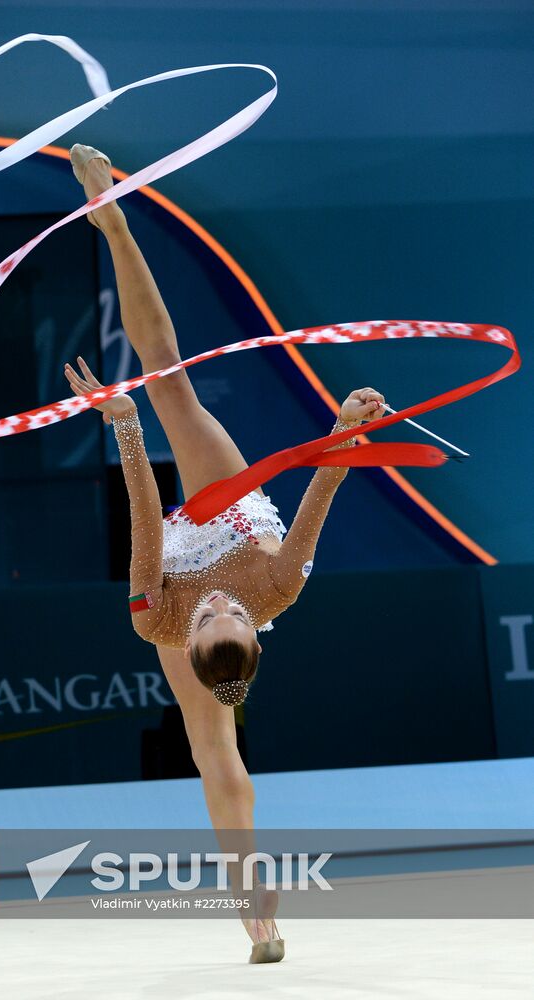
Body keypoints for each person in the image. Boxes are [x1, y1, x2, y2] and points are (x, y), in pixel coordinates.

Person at [64, 144, 386, 962]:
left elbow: (143, 516)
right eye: (224, 613)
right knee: (170, 381)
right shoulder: (276, 584)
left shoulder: (161, 617)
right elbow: (322, 487)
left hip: (171, 544)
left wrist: (121, 425)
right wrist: (348, 427)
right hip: (236, 514)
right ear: (247, 622)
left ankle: (253, 909)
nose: (214, 604)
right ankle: (114, 224)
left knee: (214, 750)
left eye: (203, 619)